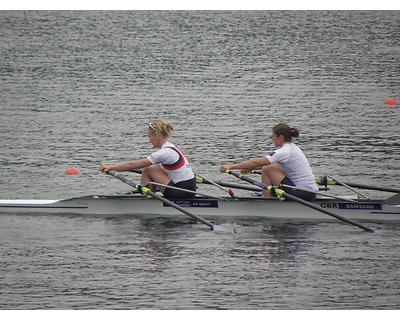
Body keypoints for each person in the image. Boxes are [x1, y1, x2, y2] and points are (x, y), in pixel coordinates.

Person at [99, 120, 196, 199]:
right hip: (188, 191)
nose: (149, 141)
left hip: (182, 194)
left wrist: (111, 168)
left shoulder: (164, 152)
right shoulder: (172, 147)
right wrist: (119, 167)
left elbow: (135, 165)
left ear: (157, 136)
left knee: (148, 169)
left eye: (150, 137)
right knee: (152, 168)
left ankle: (145, 199)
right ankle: (150, 195)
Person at [220, 123, 318, 201]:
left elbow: (256, 163)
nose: (272, 139)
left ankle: (268, 200)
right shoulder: (293, 148)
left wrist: (231, 166)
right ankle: (270, 195)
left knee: (267, 169)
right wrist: (246, 168)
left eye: (273, 136)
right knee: (272, 166)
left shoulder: (284, 151)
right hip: (310, 193)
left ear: (280, 137)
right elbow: (261, 165)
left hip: (301, 194)